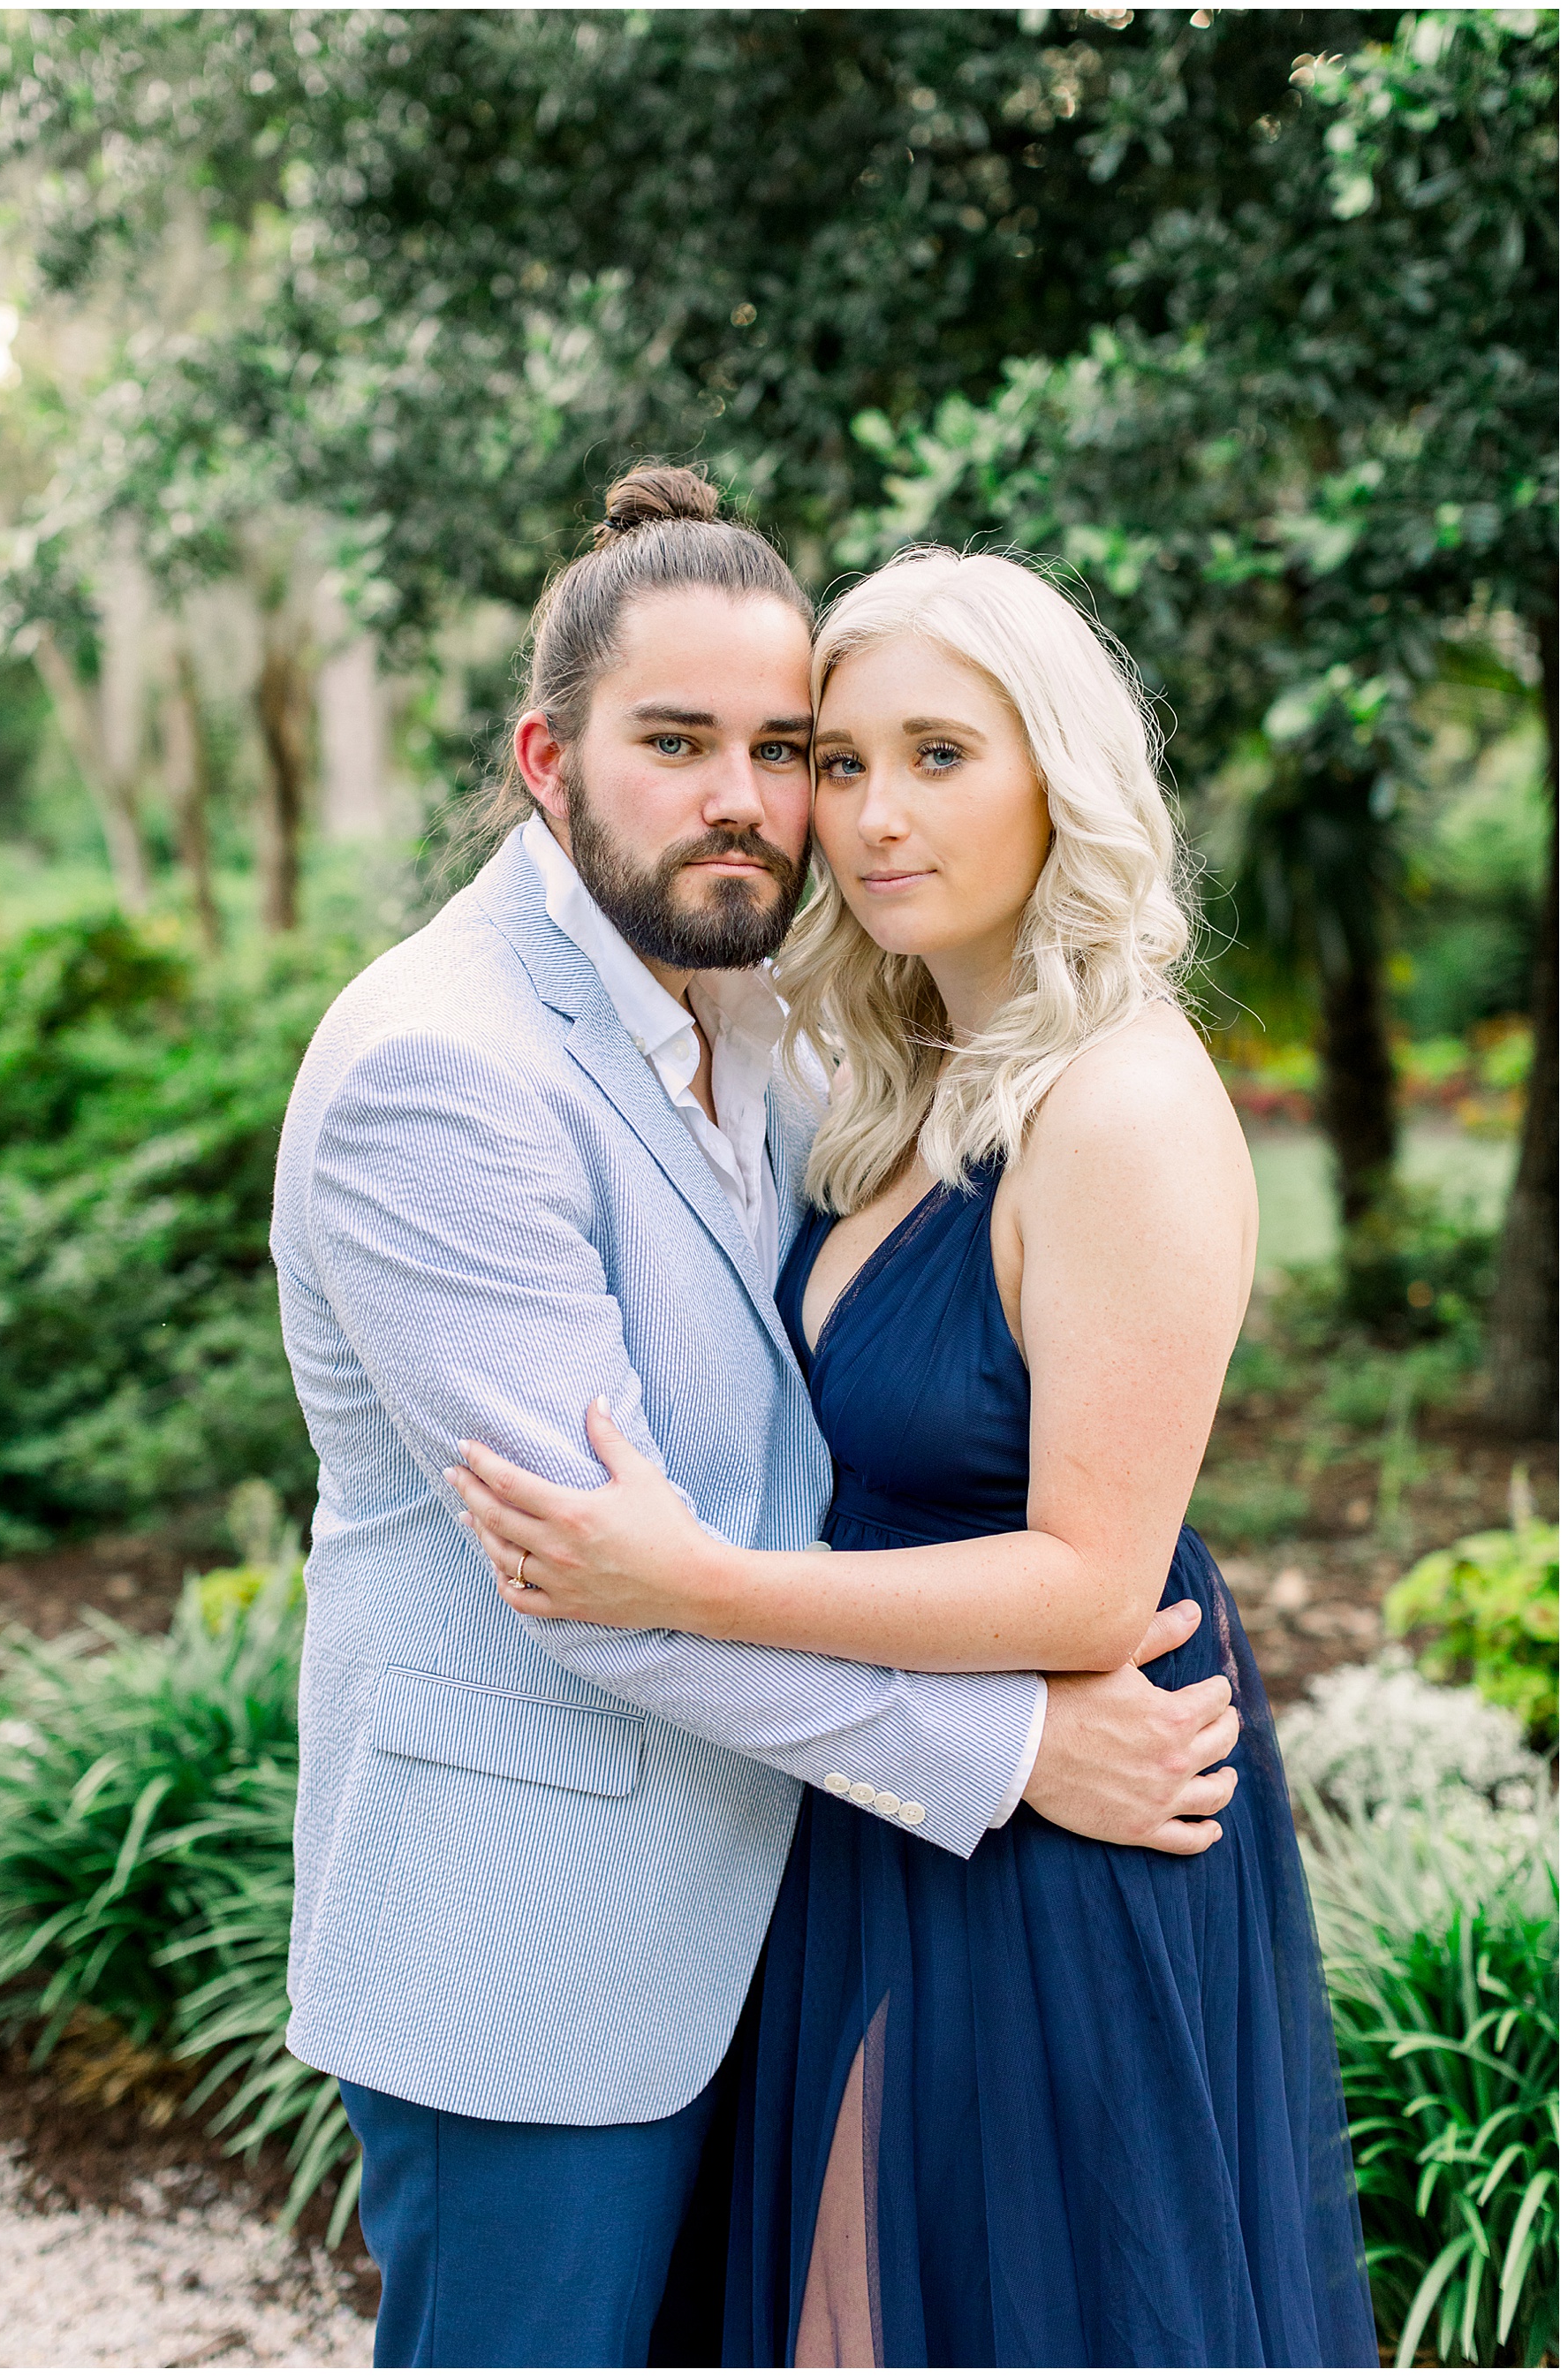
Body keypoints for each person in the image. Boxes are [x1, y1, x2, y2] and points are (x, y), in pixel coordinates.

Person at [272, 468, 1244, 2371]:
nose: (757, 798)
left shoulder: (777, 1022)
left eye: (782, 745)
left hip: (795, 1908)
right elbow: (609, 1581)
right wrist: (1006, 1746)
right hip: (542, 1953)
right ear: (550, 757)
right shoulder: (436, 1075)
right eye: (679, 741)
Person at [451, 543, 1380, 2367]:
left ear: (1064, 774)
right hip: (901, 1790)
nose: (867, 815)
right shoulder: (901, 1072)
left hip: (1066, 1809)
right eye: (840, 759)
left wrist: (695, 1581)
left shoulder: (1118, 1100)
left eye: (939, 755)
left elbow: (1094, 1578)